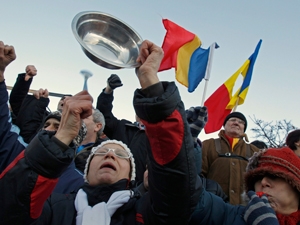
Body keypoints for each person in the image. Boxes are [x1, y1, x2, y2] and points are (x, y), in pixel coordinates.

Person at [0, 39, 200, 225]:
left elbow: (176, 185)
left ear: (132, 177)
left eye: (121, 155)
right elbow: (12, 208)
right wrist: (60, 140)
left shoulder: (145, 213)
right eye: (101, 153)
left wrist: (150, 81)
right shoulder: (54, 207)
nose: (111, 154)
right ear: (86, 170)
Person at [190, 147, 300, 225]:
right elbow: (190, 194)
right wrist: (188, 144)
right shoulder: (230, 215)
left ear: (296, 185)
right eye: (257, 179)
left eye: (274, 176)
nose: (263, 182)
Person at [96, 74, 150, 184]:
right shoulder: (122, 126)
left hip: (141, 192)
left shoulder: (158, 136)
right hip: (112, 186)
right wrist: (108, 90)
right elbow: (103, 115)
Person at [201, 111, 259, 205]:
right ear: (224, 125)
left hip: (245, 209)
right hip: (213, 207)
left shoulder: (255, 151)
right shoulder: (208, 145)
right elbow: (199, 175)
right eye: (232, 120)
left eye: (241, 122)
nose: (236, 123)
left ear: (244, 128)